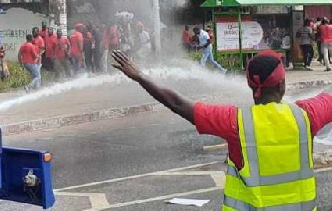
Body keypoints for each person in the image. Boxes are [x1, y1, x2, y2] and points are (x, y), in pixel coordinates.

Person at [112, 49, 332, 211]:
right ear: (282, 85)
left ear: (250, 86)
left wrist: (139, 76)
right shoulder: (307, 115)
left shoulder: (235, 122)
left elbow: (178, 104)